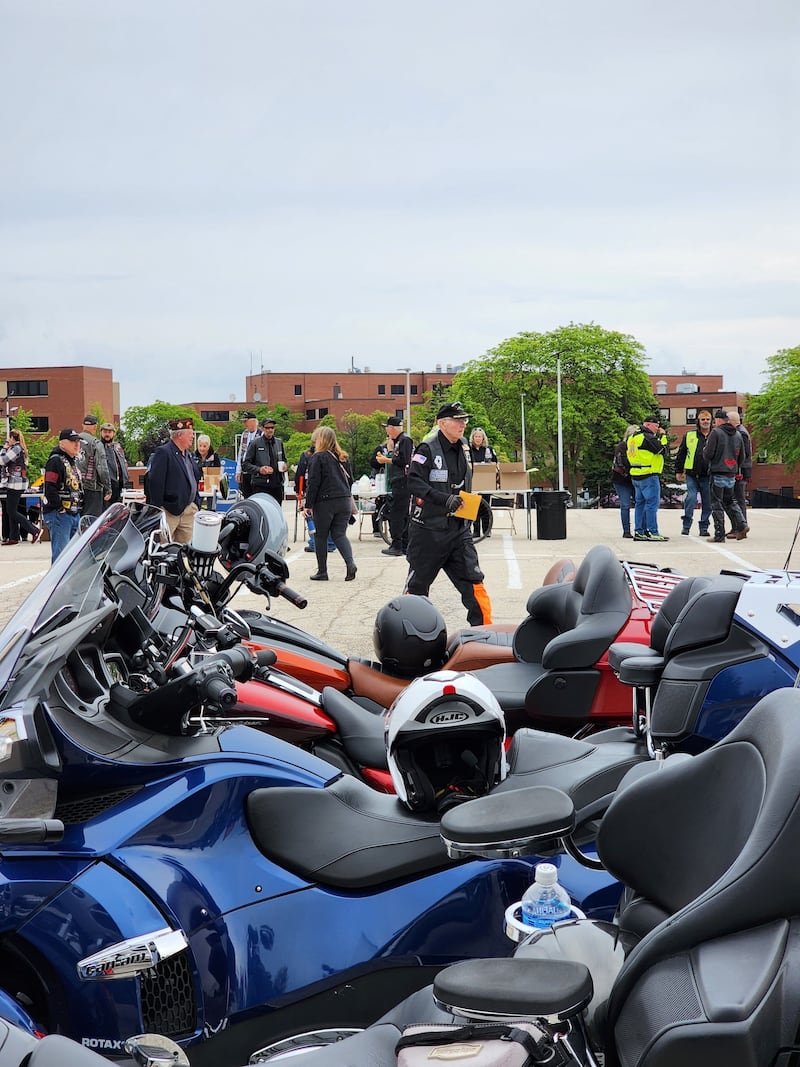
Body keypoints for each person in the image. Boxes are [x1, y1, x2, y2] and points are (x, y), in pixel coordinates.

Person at [404, 400, 492, 626]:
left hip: (458, 531)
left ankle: (485, 636)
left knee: (474, 582)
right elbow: (414, 482)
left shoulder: (464, 447)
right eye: (457, 420)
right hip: (428, 532)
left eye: (464, 420)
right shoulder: (427, 448)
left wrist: (475, 506)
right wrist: (444, 499)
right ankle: (410, 637)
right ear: (442, 423)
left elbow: (461, 483)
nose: (462, 424)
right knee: (416, 589)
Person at [303, 426, 357, 582]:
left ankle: (322, 571)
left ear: (321, 440)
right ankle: (350, 562)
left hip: (325, 501)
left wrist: (308, 505)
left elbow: (313, 483)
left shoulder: (317, 457)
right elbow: (350, 480)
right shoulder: (342, 457)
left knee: (320, 536)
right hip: (344, 500)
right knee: (339, 534)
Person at [146, 417, 201, 543]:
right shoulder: (164, 453)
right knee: (164, 548)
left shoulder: (188, 454)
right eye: (190, 434)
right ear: (180, 435)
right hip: (169, 512)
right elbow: (155, 482)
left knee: (186, 552)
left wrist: (196, 503)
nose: (193, 437)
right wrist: (158, 510)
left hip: (188, 511)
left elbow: (194, 478)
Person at [703, 409, 748, 543]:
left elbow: (708, 453)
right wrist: (735, 467)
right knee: (730, 501)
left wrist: (707, 455)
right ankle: (742, 525)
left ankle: (719, 534)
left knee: (716, 504)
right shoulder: (738, 434)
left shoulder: (716, 433)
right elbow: (742, 457)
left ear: (718, 420)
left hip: (717, 471)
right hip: (731, 473)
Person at [42, 428, 83, 563]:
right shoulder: (55, 461)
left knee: (73, 557)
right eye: (72, 441)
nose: (77, 444)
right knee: (61, 556)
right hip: (60, 514)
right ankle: (57, 584)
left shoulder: (73, 462)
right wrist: (60, 508)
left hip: (73, 513)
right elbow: (49, 487)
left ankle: (69, 584)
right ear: (62, 444)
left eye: (78, 441)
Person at [627, 415, 669, 542]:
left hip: (636, 474)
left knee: (640, 504)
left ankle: (639, 531)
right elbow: (662, 450)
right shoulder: (648, 437)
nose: (657, 429)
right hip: (649, 474)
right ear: (648, 425)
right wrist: (663, 436)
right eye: (656, 426)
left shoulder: (633, 437)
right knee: (651, 504)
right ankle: (652, 531)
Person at [376, 415, 413, 556]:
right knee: (401, 514)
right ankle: (403, 544)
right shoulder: (398, 441)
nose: (387, 430)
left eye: (387, 427)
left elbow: (404, 460)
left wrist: (387, 459)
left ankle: (398, 545)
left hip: (403, 482)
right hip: (398, 481)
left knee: (398, 514)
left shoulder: (405, 440)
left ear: (392, 428)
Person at [674, 408, 713, 537]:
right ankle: (686, 525)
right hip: (692, 474)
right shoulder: (690, 435)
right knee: (690, 498)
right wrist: (679, 470)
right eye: (703, 419)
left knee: (707, 502)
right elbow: (681, 454)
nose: (705, 422)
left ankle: (704, 527)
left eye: (708, 419)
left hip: (708, 475)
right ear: (698, 421)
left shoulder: (715, 435)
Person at [295, 435, 336, 554]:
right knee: (328, 518)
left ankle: (315, 543)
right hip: (330, 491)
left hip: (313, 490)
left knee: (312, 516)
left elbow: (300, 475)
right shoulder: (334, 454)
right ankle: (329, 543)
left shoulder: (308, 455)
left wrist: (299, 491)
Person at [0, 429, 42, 545]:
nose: (8, 440)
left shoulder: (16, 448)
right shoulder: (21, 449)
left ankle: (34, 530)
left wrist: (4, 448)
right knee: (11, 510)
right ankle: (13, 537)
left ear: (13, 438)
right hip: (16, 483)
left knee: (12, 511)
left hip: (15, 483)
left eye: (10, 438)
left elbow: (2, 460)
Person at [243, 417, 287, 504]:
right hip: (261, 485)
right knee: (262, 511)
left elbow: (284, 459)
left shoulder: (279, 442)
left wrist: (285, 466)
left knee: (276, 511)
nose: (270, 430)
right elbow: (245, 464)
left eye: (272, 427)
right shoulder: (255, 443)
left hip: (277, 484)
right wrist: (259, 470)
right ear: (262, 428)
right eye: (267, 428)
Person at [77, 415, 111, 517]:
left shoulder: (73, 441)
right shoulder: (96, 443)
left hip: (74, 487)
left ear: (82, 425)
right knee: (91, 522)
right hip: (92, 487)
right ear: (95, 427)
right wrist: (108, 488)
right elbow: (102, 468)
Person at [469, 427, 499, 538]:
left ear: (483, 438)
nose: (478, 438)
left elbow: (495, 463)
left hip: (486, 482)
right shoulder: (468, 450)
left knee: (486, 507)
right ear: (473, 438)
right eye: (476, 436)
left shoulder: (488, 450)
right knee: (474, 507)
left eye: (480, 437)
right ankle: (476, 531)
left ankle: (487, 530)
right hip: (474, 482)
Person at [727, 410, 752, 536]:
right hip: (739, 468)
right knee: (735, 499)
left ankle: (741, 527)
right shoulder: (740, 431)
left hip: (740, 470)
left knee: (738, 499)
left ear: (731, 421)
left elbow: (744, 453)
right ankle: (737, 526)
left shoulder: (741, 433)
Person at [611, 426, 638, 538]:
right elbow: (621, 462)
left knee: (640, 503)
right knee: (625, 504)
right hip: (621, 479)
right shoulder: (622, 446)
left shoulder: (639, 447)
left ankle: (640, 529)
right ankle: (626, 531)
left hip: (635, 478)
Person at [99, 422, 130, 507]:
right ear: (101, 433)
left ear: (113, 434)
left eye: (109, 432)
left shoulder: (117, 446)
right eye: (105, 432)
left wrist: (126, 477)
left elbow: (123, 462)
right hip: (106, 486)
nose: (107, 434)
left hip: (119, 484)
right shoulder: (98, 447)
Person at [236, 412, 260, 498]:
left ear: (253, 422)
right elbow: (241, 453)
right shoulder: (244, 434)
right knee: (246, 494)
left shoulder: (261, 434)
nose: (244, 424)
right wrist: (238, 470)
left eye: (246, 421)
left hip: (256, 470)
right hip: (245, 470)